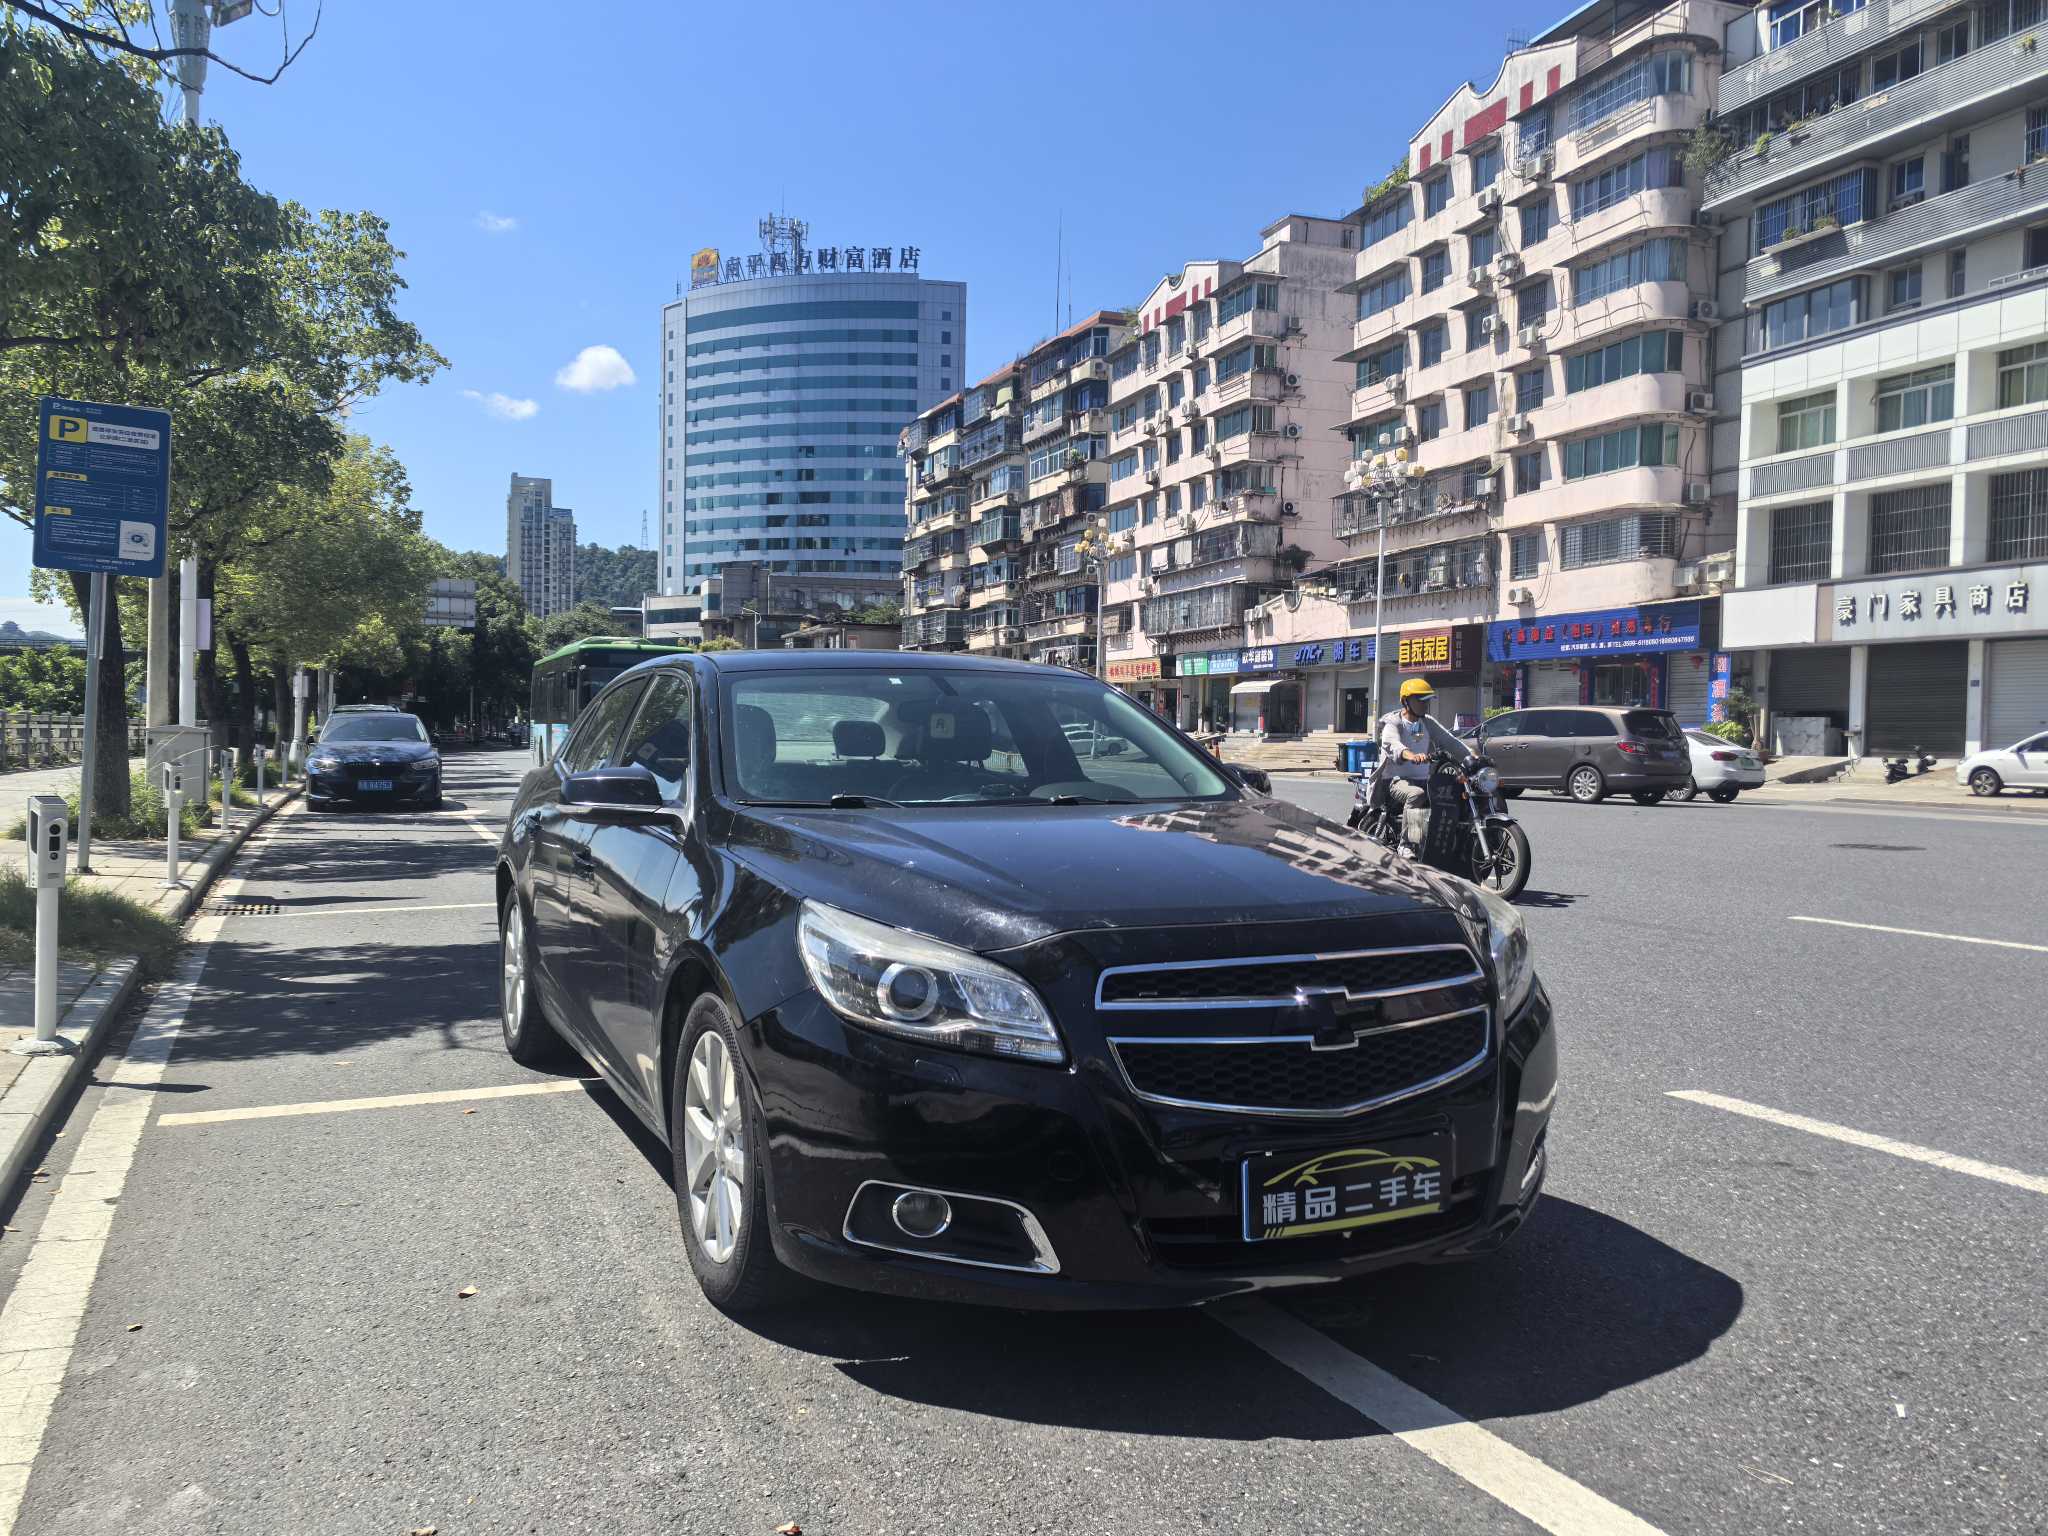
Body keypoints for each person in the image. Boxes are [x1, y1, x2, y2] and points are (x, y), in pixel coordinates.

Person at [1379, 678, 1437, 853]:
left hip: (1424, 779)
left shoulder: (1426, 723)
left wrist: (1473, 755)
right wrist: (1411, 755)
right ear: (1406, 701)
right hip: (1396, 781)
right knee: (1416, 794)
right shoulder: (1393, 723)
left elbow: (1451, 741)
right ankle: (1406, 845)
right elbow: (1393, 745)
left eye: (1426, 700)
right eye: (1420, 700)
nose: (1425, 705)